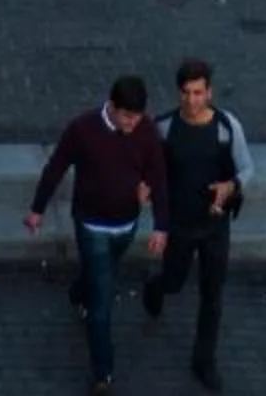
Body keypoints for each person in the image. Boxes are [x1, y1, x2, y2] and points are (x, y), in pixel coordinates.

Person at [25, 75, 170, 395]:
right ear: (112, 106)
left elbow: (157, 176)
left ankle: (79, 292)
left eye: (137, 117)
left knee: (98, 277)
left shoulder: (146, 131)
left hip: (126, 224)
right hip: (92, 225)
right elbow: (56, 167)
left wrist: (161, 224)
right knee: (102, 301)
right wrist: (38, 208)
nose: (132, 124)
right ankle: (103, 372)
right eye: (127, 116)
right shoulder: (82, 129)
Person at [144, 62, 253, 389]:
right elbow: (150, 168)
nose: (192, 100)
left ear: (209, 92)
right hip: (179, 224)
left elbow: (247, 168)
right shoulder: (164, 128)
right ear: (178, 93)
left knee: (212, 294)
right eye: (186, 93)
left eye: (198, 93)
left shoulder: (226, 127)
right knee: (174, 281)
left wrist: (231, 185)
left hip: (215, 226)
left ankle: (204, 361)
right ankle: (155, 287)